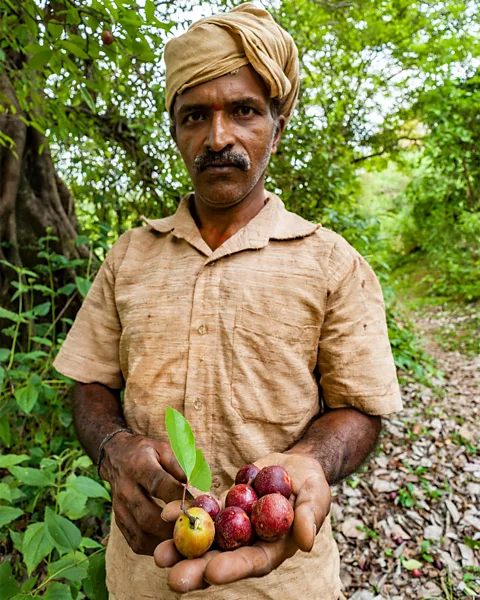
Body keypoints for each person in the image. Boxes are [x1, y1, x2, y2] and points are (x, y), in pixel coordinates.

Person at [53, 4, 402, 599]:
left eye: (243, 111)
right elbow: (89, 383)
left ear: (277, 124)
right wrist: (114, 449)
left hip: (288, 581)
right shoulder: (130, 255)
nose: (219, 138)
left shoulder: (330, 261)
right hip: (144, 575)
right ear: (175, 130)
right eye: (195, 116)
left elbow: (360, 409)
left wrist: (313, 460)